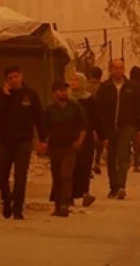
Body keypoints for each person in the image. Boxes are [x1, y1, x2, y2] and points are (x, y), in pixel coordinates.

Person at [0, 65, 43, 220]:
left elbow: (39, 118)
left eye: (15, 76)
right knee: (1, 175)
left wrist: (42, 139)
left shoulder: (30, 95)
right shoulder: (2, 95)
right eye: (10, 78)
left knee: (21, 176)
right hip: (5, 141)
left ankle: (18, 208)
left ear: (21, 76)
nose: (13, 80)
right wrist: (4, 95)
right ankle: (7, 200)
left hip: (24, 141)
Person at [94, 59, 140, 199]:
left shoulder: (132, 87)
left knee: (123, 156)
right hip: (109, 127)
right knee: (111, 157)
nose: (118, 70)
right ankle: (113, 187)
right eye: (115, 68)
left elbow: (139, 109)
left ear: (124, 69)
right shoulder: (105, 87)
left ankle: (121, 186)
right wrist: (99, 130)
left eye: (120, 68)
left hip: (127, 126)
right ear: (111, 70)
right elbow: (99, 110)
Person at [41, 79, 89, 217]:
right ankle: (58, 206)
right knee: (57, 177)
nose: (64, 93)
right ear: (54, 93)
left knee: (66, 175)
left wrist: (79, 141)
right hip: (55, 147)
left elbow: (83, 126)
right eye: (61, 90)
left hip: (70, 147)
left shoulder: (75, 107)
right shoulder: (50, 110)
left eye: (65, 90)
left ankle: (64, 204)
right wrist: (43, 143)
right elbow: (44, 129)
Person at [68, 72, 97, 208]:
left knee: (84, 166)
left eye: (76, 80)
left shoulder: (89, 99)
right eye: (72, 80)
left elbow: (95, 118)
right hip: (70, 137)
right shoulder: (68, 99)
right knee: (71, 166)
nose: (73, 82)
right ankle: (70, 195)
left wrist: (99, 135)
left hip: (86, 138)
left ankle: (85, 193)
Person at [88, 66, 105, 175]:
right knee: (99, 141)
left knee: (89, 144)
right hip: (101, 118)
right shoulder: (104, 87)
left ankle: (89, 165)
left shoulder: (86, 87)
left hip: (88, 118)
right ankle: (97, 162)